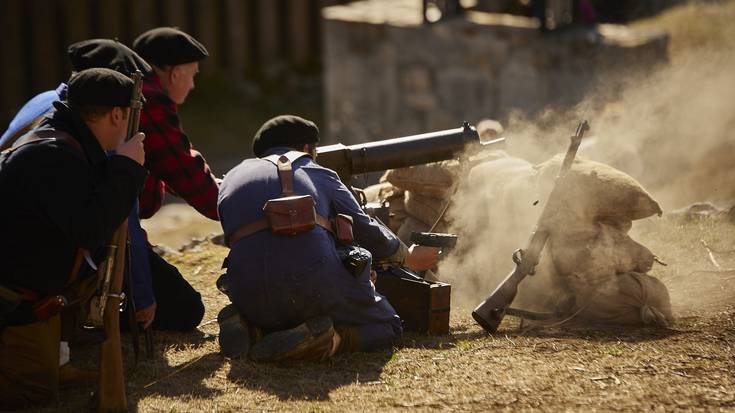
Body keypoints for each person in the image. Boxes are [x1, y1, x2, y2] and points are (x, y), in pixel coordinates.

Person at [216, 115, 439, 361]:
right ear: (306, 149)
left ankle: (252, 326)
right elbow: (366, 230)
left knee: (274, 293)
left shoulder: (230, 180)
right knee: (389, 326)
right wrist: (407, 256)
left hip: (246, 291)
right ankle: (328, 342)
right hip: (311, 288)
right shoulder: (320, 173)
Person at [0, 68, 147, 409]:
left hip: (35, 284)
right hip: (14, 296)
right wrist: (125, 169)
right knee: (33, 392)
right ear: (116, 115)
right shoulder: (52, 156)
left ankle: (57, 354)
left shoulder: (67, 142)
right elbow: (90, 228)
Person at [130, 27, 223, 331]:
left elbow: (170, 167)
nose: (193, 84)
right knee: (186, 309)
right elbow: (194, 183)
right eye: (193, 75)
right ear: (175, 73)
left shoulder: (134, 93)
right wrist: (243, 197)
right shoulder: (151, 102)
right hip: (103, 237)